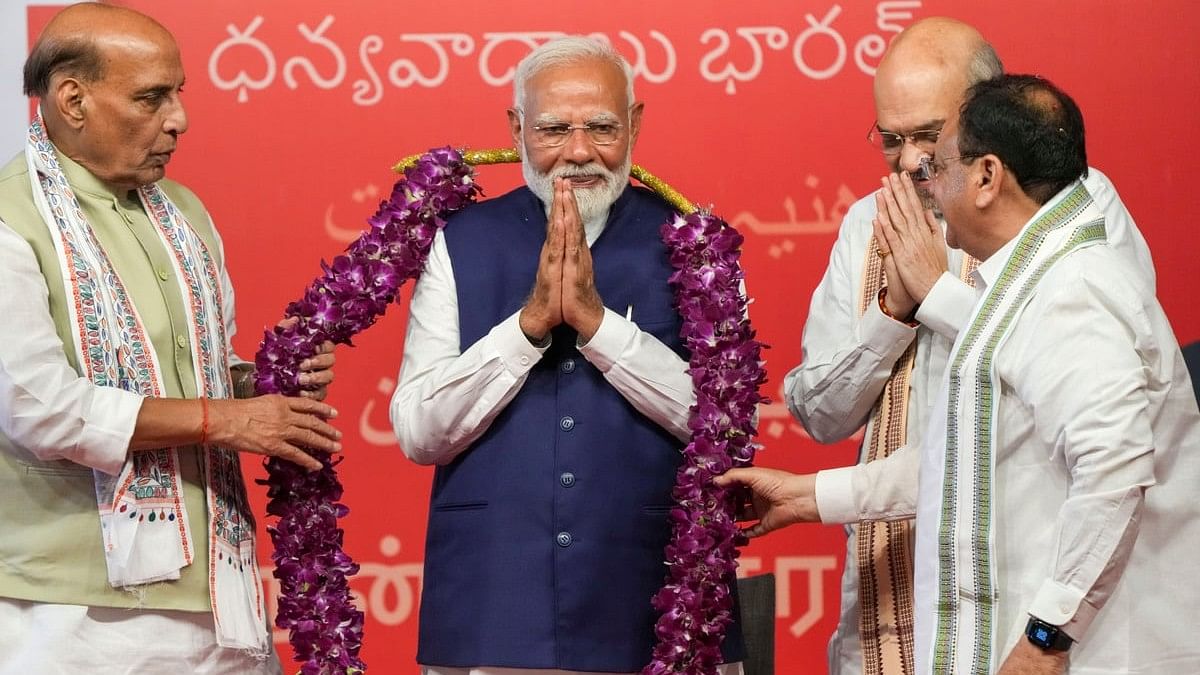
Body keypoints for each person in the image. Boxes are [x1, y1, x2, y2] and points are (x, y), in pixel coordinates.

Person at [722, 74, 1200, 674]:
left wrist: (1047, 639)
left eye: (938, 165)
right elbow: (975, 458)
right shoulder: (1030, 278)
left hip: (1095, 654)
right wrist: (807, 496)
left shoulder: (1072, 287)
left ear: (987, 177)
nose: (922, 181)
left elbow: (1113, 469)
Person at [0, 4, 344, 673]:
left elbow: (205, 376)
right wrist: (232, 419)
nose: (179, 119)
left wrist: (270, 381)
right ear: (72, 99)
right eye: (151, 97)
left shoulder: (182, 212)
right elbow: (40, 408)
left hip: (221, 598)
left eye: (178, 94)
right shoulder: (8, 220)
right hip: (73, 618)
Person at [390, 36, 745, 675]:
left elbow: (726, 425)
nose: (579, 152)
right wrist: (526, 328)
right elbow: (418, 431)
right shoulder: (460, 242)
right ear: (516, 128)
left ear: (635, 124)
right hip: (493, 607)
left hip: (654, 597)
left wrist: (598, 327)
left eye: (602, 127)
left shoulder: (698, 245)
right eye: (554, 128)